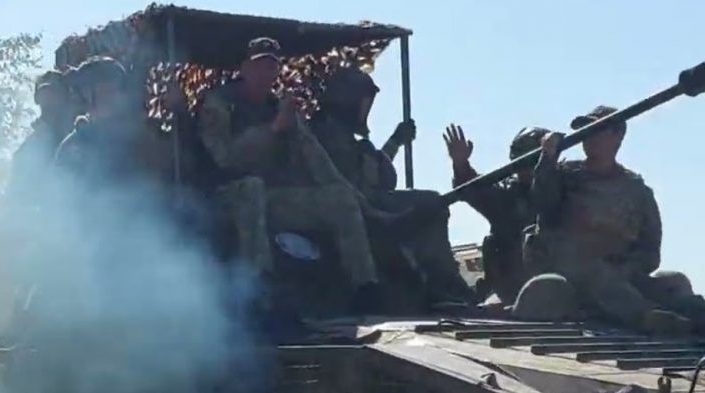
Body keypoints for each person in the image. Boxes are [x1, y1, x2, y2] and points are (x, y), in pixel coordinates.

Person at [196, 37, 379, 301]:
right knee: (252, 188)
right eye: (259, 65)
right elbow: (225, 158)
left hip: (271, 197)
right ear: (245, 68)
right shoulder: (219, 104)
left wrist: (356, 198)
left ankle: (365, 287)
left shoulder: (278, 107)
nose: (266, 73)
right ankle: (259, 287)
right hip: (224, 196)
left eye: (272, 67)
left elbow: (316, 159)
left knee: (340, 199)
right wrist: (272, 130)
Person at [526, 105, 696, 334]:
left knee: (673, 283)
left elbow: (650, 250)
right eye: (584, 130)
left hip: (623, 274)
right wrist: (547, 159)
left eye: (596, 129)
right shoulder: (564, 176)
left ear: (617, 137)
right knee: (599, 274)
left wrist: (628, 266)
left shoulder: (637, 190)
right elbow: (542, 204)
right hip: (571, 273)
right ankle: (647, 317)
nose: (588, 136)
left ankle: (694, 316)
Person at [310, 66, 473, 305]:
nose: (366, 109)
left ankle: (440, 282)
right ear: (348, 101)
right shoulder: (324, 136)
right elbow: (351, 182)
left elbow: (373, 174)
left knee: (431, 203)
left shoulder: (341, 136)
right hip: (353, 209)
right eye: (364, 102)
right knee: (431, 203)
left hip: (366, 203)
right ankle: (441, 282)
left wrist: (396, 141)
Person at [445, 125, 549, 304]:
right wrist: (461, 164)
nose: (524, 168)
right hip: (511, 291)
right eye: (519, 158)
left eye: (531, 159)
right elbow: (476, 191)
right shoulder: (509, 195)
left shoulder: (566, 185)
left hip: (560, 285)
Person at [7, 68, 83, 202]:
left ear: (66, 97)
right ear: (37, 98)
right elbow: (16, 195)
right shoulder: (26, 150)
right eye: (45, 93)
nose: (49, 99)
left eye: (55, 93)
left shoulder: (77, 138)